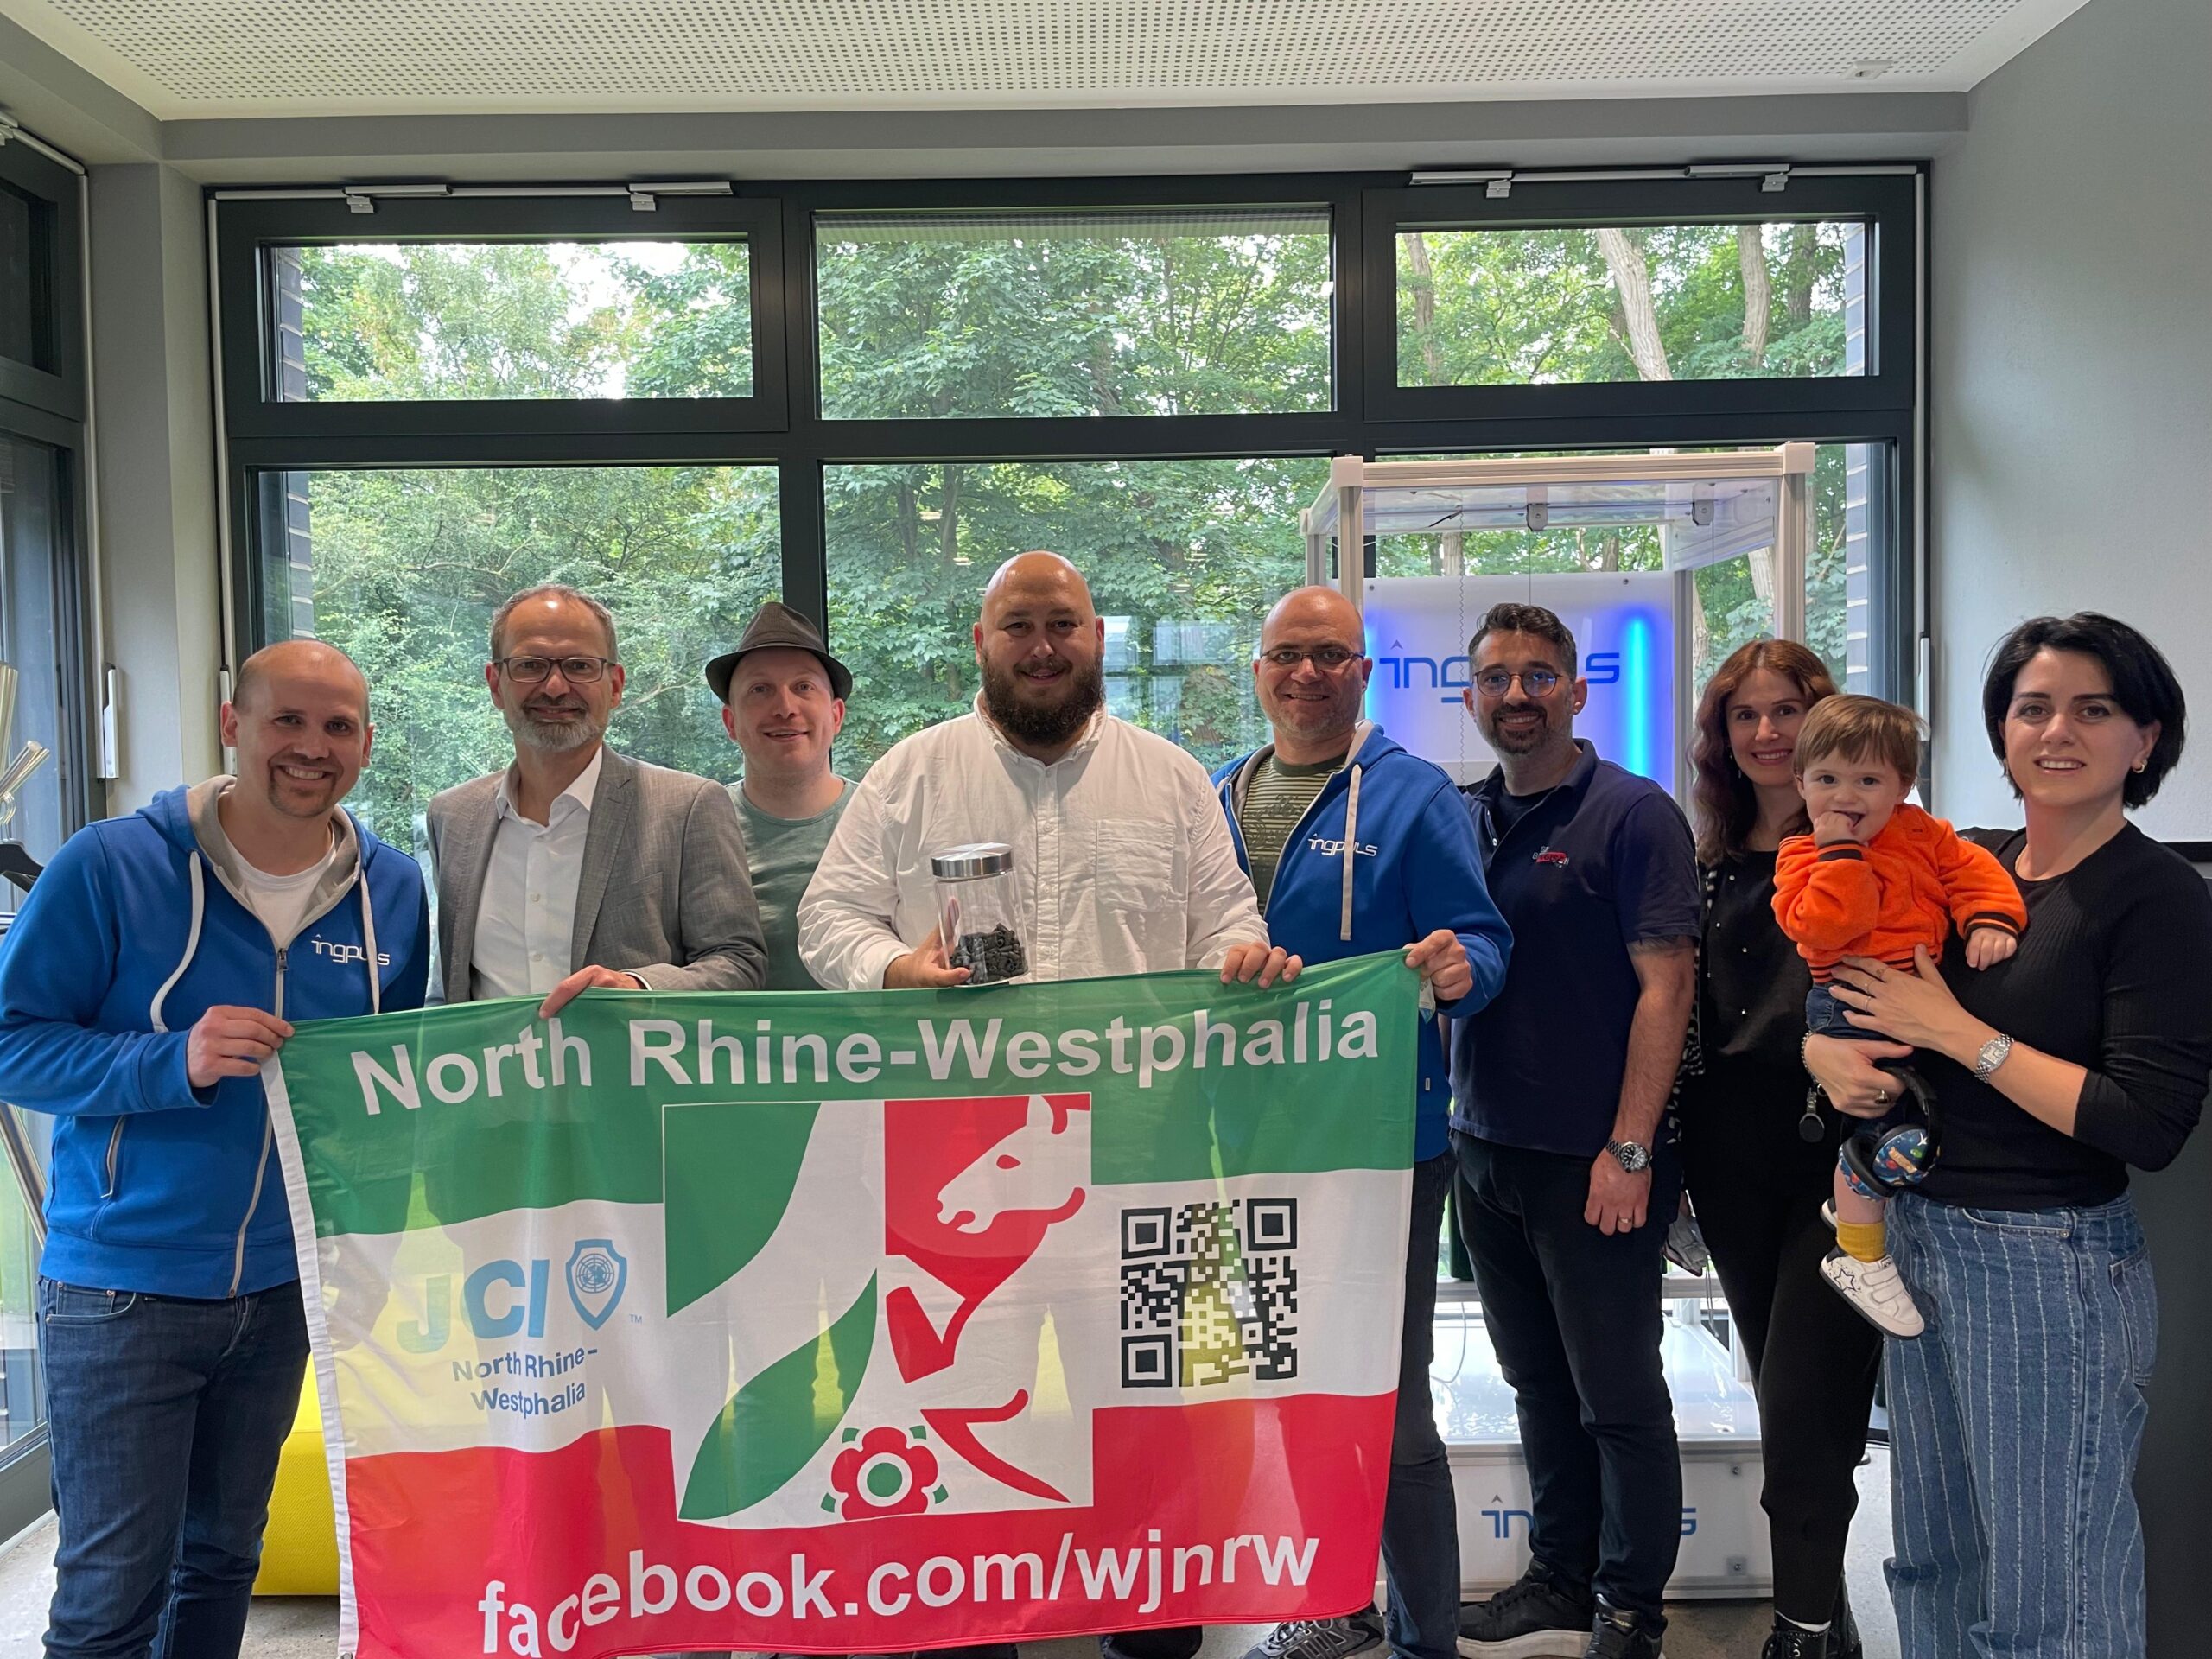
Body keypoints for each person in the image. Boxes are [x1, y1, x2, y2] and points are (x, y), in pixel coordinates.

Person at [800, 550, 1293, 1659]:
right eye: (1017, 625)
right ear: (981, 642)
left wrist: (1240, 956)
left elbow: (1226, 916)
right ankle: (974, 1631)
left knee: (1148, 1421)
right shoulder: (910, 775)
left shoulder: (1171, 779)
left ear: (1097, 637)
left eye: (1062, 623)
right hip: (958, 1165)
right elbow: (827, 919)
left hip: (1142, 1160)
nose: (1041, 646)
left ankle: (1151, 1634)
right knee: (964, 1414)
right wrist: (894, 968)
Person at [0, 641, 431, 1659]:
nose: (311, 746)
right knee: (111, 1592)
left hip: (284, 1291)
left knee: (223, 1561)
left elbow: (387, 1083)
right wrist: (171, 1060)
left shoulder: (392, 889)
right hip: (123, 1288)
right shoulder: (111, 865)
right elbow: (13, 1042)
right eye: (288, 720)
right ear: (233, 723)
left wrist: (371, 1249)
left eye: (337, 727)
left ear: (366, 744)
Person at [1803, 613, 2212, 1659]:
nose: (2056, 730)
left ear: (2145, 739)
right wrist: (1821, 1052)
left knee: (2048, 1598)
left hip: (2047, 1266)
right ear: (2000, 731)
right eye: (2032, 708)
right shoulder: (1965, 860)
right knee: (1933, 1565)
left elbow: (2145, 1121)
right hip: (1918, 1237)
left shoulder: (2158, 897)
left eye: (2093, 709)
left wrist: (1957, 1032)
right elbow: (1842, 971)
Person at [1211, 587, 1513, 1659]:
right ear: (1258, 670)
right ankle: (1335, 1604)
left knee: (1389, 1404)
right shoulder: (1213, 794)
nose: (1307, 673)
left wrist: (1459, 967)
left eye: (1330, 654)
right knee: (1295, 1389)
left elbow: (1482, 942)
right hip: (1245, 1147)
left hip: (1382, 1144)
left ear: (1362, 671)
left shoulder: (1413, 796)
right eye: (1286, 654)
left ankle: (1426, 1639)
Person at [1446, 603, 1697, 1659]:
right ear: (1470, 695)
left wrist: (1629, 1149)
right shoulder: (1462, 816)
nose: (1517, 695)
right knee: (1536, 1384)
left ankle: (1630, 1606)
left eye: (1538, 675)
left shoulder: (1632, 815)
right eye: (1496, 677)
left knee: (1618, 1397)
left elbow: (1667, 987)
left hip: (1594, 1162)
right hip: (1483, 1151)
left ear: (1577, 691)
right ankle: (1559, 1578)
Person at [1678, 639, 1877, 1659]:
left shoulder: (1872, 850)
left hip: (1840, 1169)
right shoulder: (1703, 862)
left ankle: (1801, 1631)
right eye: (1743, 715)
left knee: (1805, 1407)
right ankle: (1821, 1611)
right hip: (1729, 1165)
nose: (1765, 733)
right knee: (1781, 1393)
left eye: (1786, 711)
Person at [1771, 696, 2027, 1338]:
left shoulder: (1926, 835)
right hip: (1850, 1002)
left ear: (1903, 785)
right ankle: (1859, 1253)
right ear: (1800, 783)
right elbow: (1826, 928)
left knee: (1917, 1119)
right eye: (1827, 779)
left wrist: (1989, 919)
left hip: (1916, 997)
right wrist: (1841, 855)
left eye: (1868, 780)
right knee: (1885, 1125)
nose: (1845, 796)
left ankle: (1859, 1213)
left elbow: (1974, 874)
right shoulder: (1801, 855)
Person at [426, 582, 766, 1014]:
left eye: (580, 666)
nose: (554, 687)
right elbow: (449, 983)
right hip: (490, 1060)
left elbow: (739, 963)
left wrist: (638, 987)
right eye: (530, 665)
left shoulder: (689, 807)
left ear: (615, 686)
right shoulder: (452, 816)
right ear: (496, 684)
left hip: (633, 1057)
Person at [707, 601, 856, 989]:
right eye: (760, 690)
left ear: (836, 716)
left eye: (803, 687)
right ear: (730, 722)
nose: (785, 708)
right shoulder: (700, 828)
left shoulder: (882, 818)